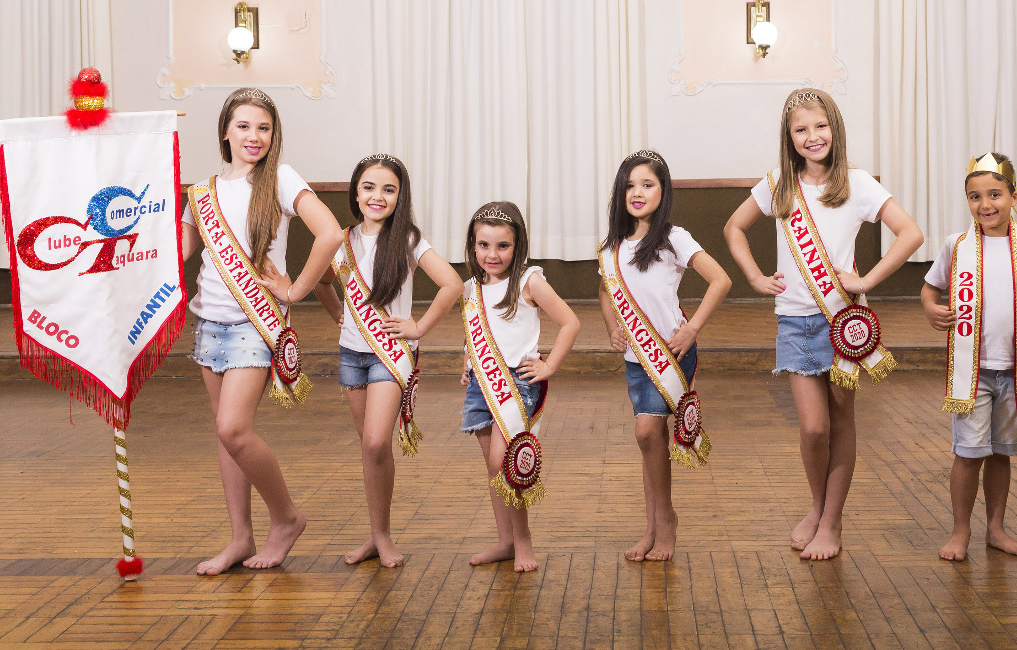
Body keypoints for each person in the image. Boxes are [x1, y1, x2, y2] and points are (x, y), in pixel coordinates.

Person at [724, 87, 923, 560]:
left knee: (841, 421)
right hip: (794, 321)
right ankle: (817, 507)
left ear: (835, 128)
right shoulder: (778, 185)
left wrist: (867, 278)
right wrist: (753, 275)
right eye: (801, 130)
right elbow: (734, 228)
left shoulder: (857, 184)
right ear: (789, 137)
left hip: (843, 323)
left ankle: (832, 521)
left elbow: (911, 233)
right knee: (813, 429)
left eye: (820, 126)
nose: (813, 137)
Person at [181, 87, 343, 575]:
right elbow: (180, 256)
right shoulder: (202, 192)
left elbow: (331, 233)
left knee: (234, 427)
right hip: (209, 320)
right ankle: (240, 538)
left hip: (255, 322)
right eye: (245, 126)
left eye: (264, 128)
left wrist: (293, 291)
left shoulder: (281, 180)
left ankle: (286, 518)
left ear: (275, 136)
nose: (255, 136)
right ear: (226, 130)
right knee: (227, 435)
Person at [312, 153, 461, 567]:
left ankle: (383, 536)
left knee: (377, 440)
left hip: (390, 355)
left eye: (389, 189)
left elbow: (452, 284)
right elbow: (324, 284)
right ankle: (377, 536)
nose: (378, 196)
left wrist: (418, 327)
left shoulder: (408, 240)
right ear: (356, 193)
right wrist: (337, 313)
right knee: (370, 449)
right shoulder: (339, 241)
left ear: (400, 196)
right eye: (369, 187)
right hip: (351, 354)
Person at [920, 153, 1017, 561]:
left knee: (1002, 452)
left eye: (995, 194)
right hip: (973, 372)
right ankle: (960, 531)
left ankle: (995, 528)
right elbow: (930, 290)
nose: (985, 204)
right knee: (968, 453)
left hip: (1016, 371)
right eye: (975, 196)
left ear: (1014, 197)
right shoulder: (956, 245)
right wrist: (932, 309)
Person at [597, 150, 731, 562]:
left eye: (647, 184)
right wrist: (612, 327)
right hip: (637, 358)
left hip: (671, 354)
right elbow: (605, 291)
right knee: (649, 440)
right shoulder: (613, 246)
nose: (637, 192)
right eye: (630, 185)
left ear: (663, 190)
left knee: (645, 432)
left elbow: (720, 280)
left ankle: (666, 521)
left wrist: (692, 329)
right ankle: (654, 525)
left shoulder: (674, 237)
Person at [460, 201, 580, 572]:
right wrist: (466, 363)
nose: (492, 254)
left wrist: (549, 365)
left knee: (504, 460)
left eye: (502, 246)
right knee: (493, 468)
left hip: (516, 381)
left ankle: (524, 540)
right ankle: (506, 542)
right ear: (472, 245)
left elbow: (570, 322)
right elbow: (475, 331)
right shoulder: (470, 288)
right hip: (481, 382)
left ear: (518, 246)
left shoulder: (529, 281)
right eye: (483, 245)